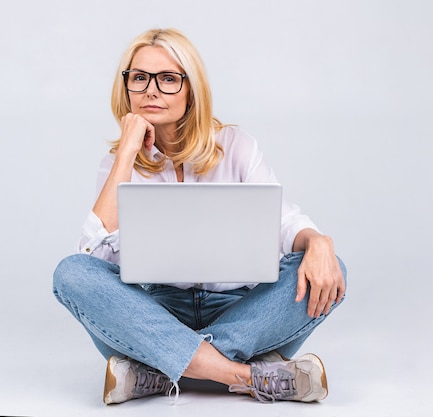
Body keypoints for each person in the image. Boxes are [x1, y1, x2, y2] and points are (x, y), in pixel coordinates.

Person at [52, 27, 347, 405]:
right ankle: (244, 376)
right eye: (139, 78)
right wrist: (126, 153)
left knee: (330, 265)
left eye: (168, 79)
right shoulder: (116, 165)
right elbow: (91, 256)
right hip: (156, 311)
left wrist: (317, 241)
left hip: (242, 310)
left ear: (192, 90)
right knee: (71, 273)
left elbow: (284, 222)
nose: (151, 91)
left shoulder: (236, 145)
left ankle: (156, 370)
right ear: (125, 87)